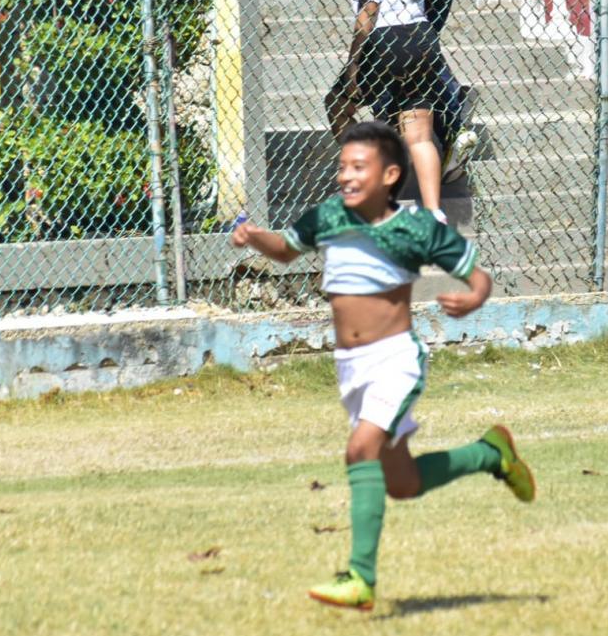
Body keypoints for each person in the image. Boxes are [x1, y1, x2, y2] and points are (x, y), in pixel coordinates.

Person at [229, 121, 535, 611]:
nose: (345, 176)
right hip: (352, 368)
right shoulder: (328, 216)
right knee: (402, 483)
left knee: (360, 451)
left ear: (391, 174)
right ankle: (491, 454)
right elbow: (285, 250)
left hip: (396, 360)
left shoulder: (414, 230)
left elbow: (477, 275)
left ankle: (360, 579)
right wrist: (255, 237)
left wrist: (475, 296)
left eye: (358, 167)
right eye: (341, 166)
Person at [324, 0, 476, 183]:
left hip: (387, 41)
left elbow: (368, 11)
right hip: (423, 27)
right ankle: (449, 121)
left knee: (341, 102)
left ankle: (378, 166)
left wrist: (353, 64)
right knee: (418, 130)